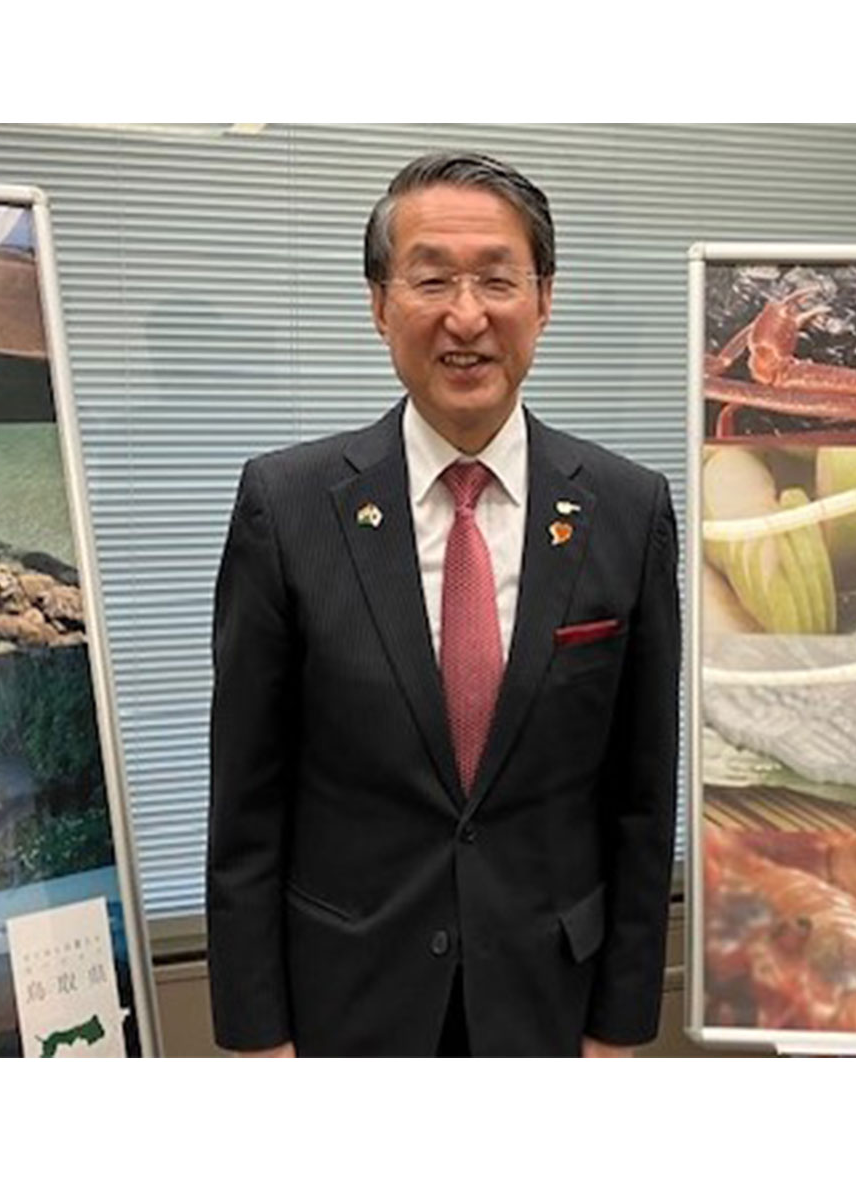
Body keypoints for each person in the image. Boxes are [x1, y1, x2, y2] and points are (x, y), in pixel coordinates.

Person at [206, 152, 680, 1057]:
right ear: (381, 304)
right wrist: (257, 1039)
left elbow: (640, 799)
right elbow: (246, 804)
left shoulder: (629, 509)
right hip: (346, 1001)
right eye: (432, 279)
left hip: (550, 1001)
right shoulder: (289, 505)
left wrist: (620, 1029)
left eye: (498, 279)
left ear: (545, 299)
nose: (468, 315)